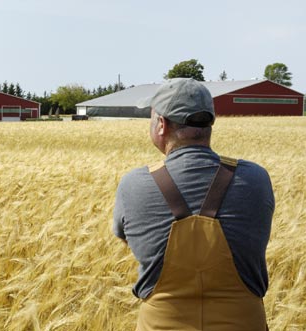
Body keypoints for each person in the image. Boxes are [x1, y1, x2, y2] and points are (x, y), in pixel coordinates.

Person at [113, 78, 274, 330]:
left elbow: (127, 239)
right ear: (210, 122)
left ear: (161, 125)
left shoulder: (133, 184)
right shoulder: (256, 178)